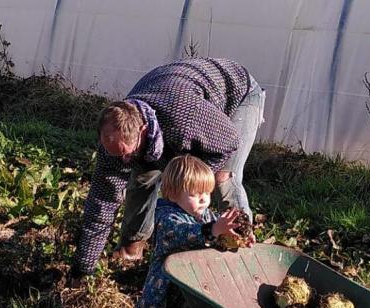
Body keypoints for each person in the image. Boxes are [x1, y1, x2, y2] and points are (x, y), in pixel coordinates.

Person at [69, 57, 265, 281]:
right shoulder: (116, 142)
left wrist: (193, 183)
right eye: (117, 154)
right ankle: (131, 251)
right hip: (176, 95)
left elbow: (228, 142)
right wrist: (82, 268)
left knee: (223, 178)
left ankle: (240, 254)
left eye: (127, 153)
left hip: (237, 93)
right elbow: (102, 202)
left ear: (143, 131)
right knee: (142, 177)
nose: (122, 161)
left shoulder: (184, 120)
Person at [120, 155, 247, 308]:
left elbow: (218, 235)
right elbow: (182, 236)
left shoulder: (204, 215)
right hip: (162, 294)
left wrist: (236, 237)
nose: (203, 199)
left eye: (207, 193)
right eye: (195, 194)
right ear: (172, 193)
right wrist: (213, 231)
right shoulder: (167, 217)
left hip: (190, 293)